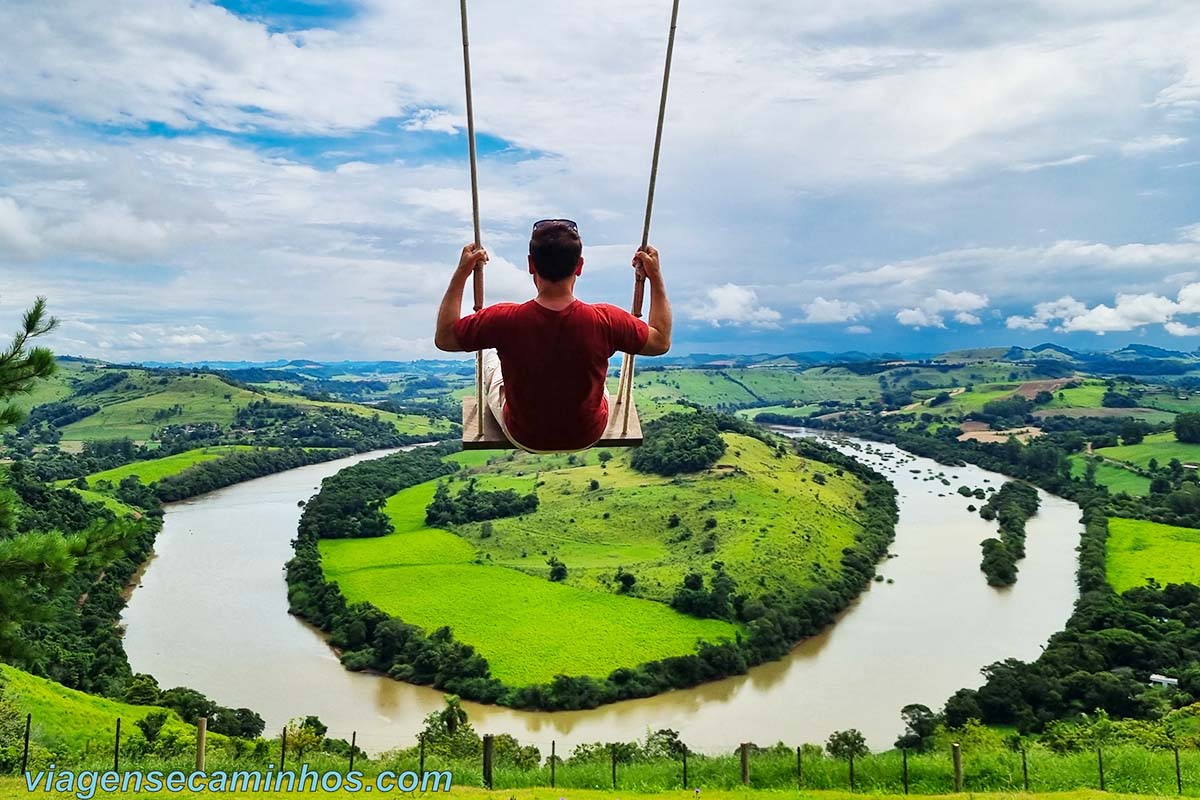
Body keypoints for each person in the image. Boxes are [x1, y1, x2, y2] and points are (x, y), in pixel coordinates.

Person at [434, 219, 671, 452]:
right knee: (599, 383)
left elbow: (445, 337)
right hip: (587, 433)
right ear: (579, 266)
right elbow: (660, 341)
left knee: (489, 356)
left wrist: (463, 271)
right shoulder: (606, 320)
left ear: (530, 265)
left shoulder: (502, 319)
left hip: (525, 435)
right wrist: (655, 276)